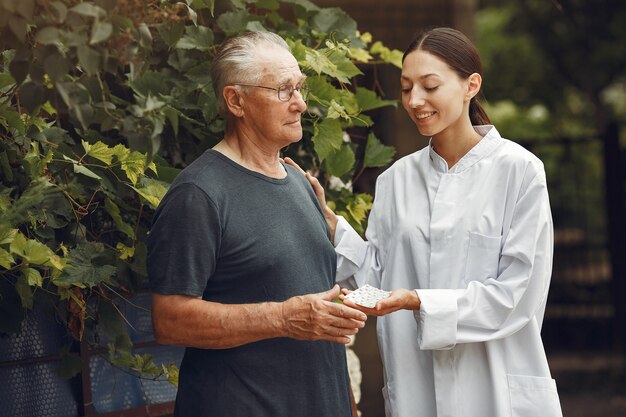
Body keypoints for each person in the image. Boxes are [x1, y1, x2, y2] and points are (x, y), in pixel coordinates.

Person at [287, 27, 563, 417]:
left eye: (430, 86)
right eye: (405, 88)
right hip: (417, 388)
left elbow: (516, 296)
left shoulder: (519, 172)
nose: (415, 100)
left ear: (471, 85)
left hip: (496, 390)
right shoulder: (395, 180)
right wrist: (330, 223)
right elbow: (377, 283)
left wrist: (419, 301)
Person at [147, 31, 367, 417]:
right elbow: (170, 320)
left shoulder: (298, 181)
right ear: (236, 100)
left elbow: (318, 317)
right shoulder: (198, 194)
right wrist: (282, 318)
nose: (300, 104)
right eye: (284, 90)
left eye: (300, 88)